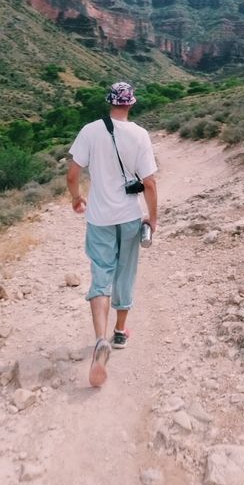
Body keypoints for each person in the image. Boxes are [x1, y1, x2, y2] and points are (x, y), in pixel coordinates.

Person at [66, 81, 159, 387]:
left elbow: (72, 173)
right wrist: (153, 218)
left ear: (108, 102)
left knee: (101, 275)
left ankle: (99, 340)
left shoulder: (90, 130)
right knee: (125, 274)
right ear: (131, 104)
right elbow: (150, 183)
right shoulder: (140, 135)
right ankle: (119, 333)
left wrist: (76, 198)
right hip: (130, 218)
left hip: (99, 219)